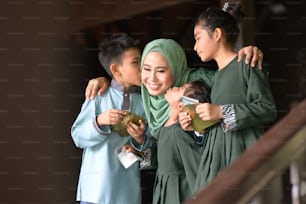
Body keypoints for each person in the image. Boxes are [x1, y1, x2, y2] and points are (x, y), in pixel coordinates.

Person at [178, 3, 277, 194]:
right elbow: (217, 123)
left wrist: (221, 111)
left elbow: (267, 108)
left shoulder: (246, 63)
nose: (195, 46)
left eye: (198, 38)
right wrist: (196, 126)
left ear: (216, 34)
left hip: (240, 154)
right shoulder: (216, 77)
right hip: (214, 162)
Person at [71, 33, 151, 204]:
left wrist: (140, 139)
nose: (142, 67)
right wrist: (99, 121)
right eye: (136, 62)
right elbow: (77, 136)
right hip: (96, 190)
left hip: (128, 192)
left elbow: (148, 159)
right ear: (116, 69)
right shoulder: (98, 95)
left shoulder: (145, 102)